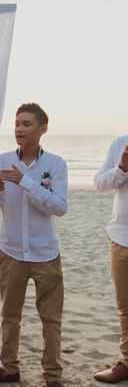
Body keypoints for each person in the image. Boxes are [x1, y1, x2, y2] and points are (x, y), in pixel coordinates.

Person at [0, 103, 67, 387]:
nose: (19, 129)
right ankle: (9, 367)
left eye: (26, 124)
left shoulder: (55, 164)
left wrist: (26, 182)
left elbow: (59, 207)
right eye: (17, 123)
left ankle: (52, 376)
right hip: (11, 251)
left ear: (43, 130)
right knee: (9, 316)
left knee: (50, 320)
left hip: (45, 254)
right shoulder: (2, 159)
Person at [93, 135, 128, 383]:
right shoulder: (120, 143)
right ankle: (127, 362)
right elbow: (100, 183)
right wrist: (122, 168)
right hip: (122, 237)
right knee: (125, 306)